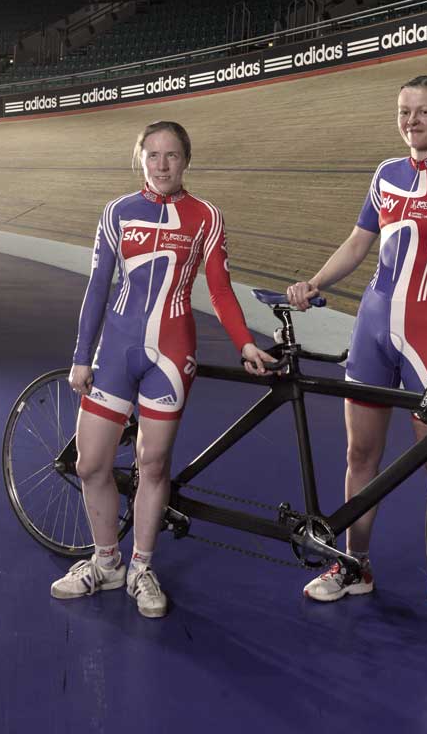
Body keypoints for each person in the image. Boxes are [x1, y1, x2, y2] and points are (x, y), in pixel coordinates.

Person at [286, 75, 427, 647]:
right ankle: (354, 565)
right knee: (360, 454)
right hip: (371, 329)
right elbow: (357, 244)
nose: (412, 120)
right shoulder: (385, 174)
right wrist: (314, 281)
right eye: (404, 111)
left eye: (423, 111)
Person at [50, 120, 275, 617]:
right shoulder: (117, 212)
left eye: (172, 155)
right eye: (153, 154)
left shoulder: (206, 216)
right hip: (116, 352)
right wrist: (81, 355)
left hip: (171, 357)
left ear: (186, 161)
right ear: (141, 159)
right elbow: (97, 288)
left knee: (152, 465)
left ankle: (141, 567)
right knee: (90, 464)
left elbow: (218, 289)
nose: (162, 164)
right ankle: (105, 562)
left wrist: (244, 344)